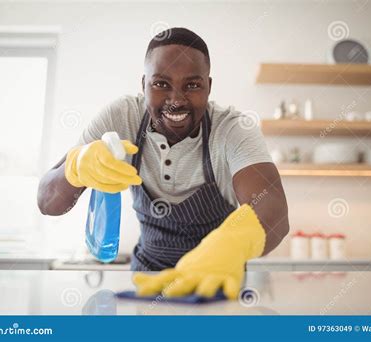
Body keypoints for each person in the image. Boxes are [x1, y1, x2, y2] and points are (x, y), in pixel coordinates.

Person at [37, 27, 289, 299]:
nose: (176, 100)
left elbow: (272, 207)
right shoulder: (121, 117)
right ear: (143, 83)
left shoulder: (232, 129)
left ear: (209, 86)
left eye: (192, 85)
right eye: (161, 84)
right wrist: (75, 169)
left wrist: (233, 244)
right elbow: (48, 202)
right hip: (147, 283)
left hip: (216, 286)